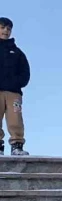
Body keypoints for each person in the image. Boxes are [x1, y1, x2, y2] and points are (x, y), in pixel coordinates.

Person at [0, 17, 30, 156]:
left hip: (13, 93)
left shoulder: (17, 53)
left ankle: (17, 145)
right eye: (2, 27)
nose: (5, 31)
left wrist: (17, 82)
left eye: (8, 29)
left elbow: (25, 73)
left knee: (15, 119)